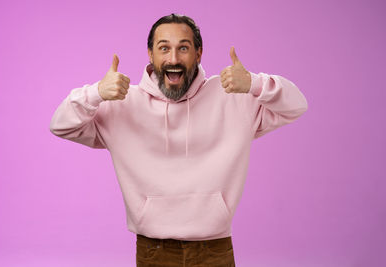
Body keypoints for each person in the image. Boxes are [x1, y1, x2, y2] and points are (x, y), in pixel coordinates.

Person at [50, 13, 308, 267]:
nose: (173, 58)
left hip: (214, 248)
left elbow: (296, 105)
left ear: (198, 54)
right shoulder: (121, 104)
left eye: (183, 48)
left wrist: (254, 83)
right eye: (164, 48)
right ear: (151, 54)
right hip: (154, 248)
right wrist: (95, 93)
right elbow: (61, 125)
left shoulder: (233, 96)